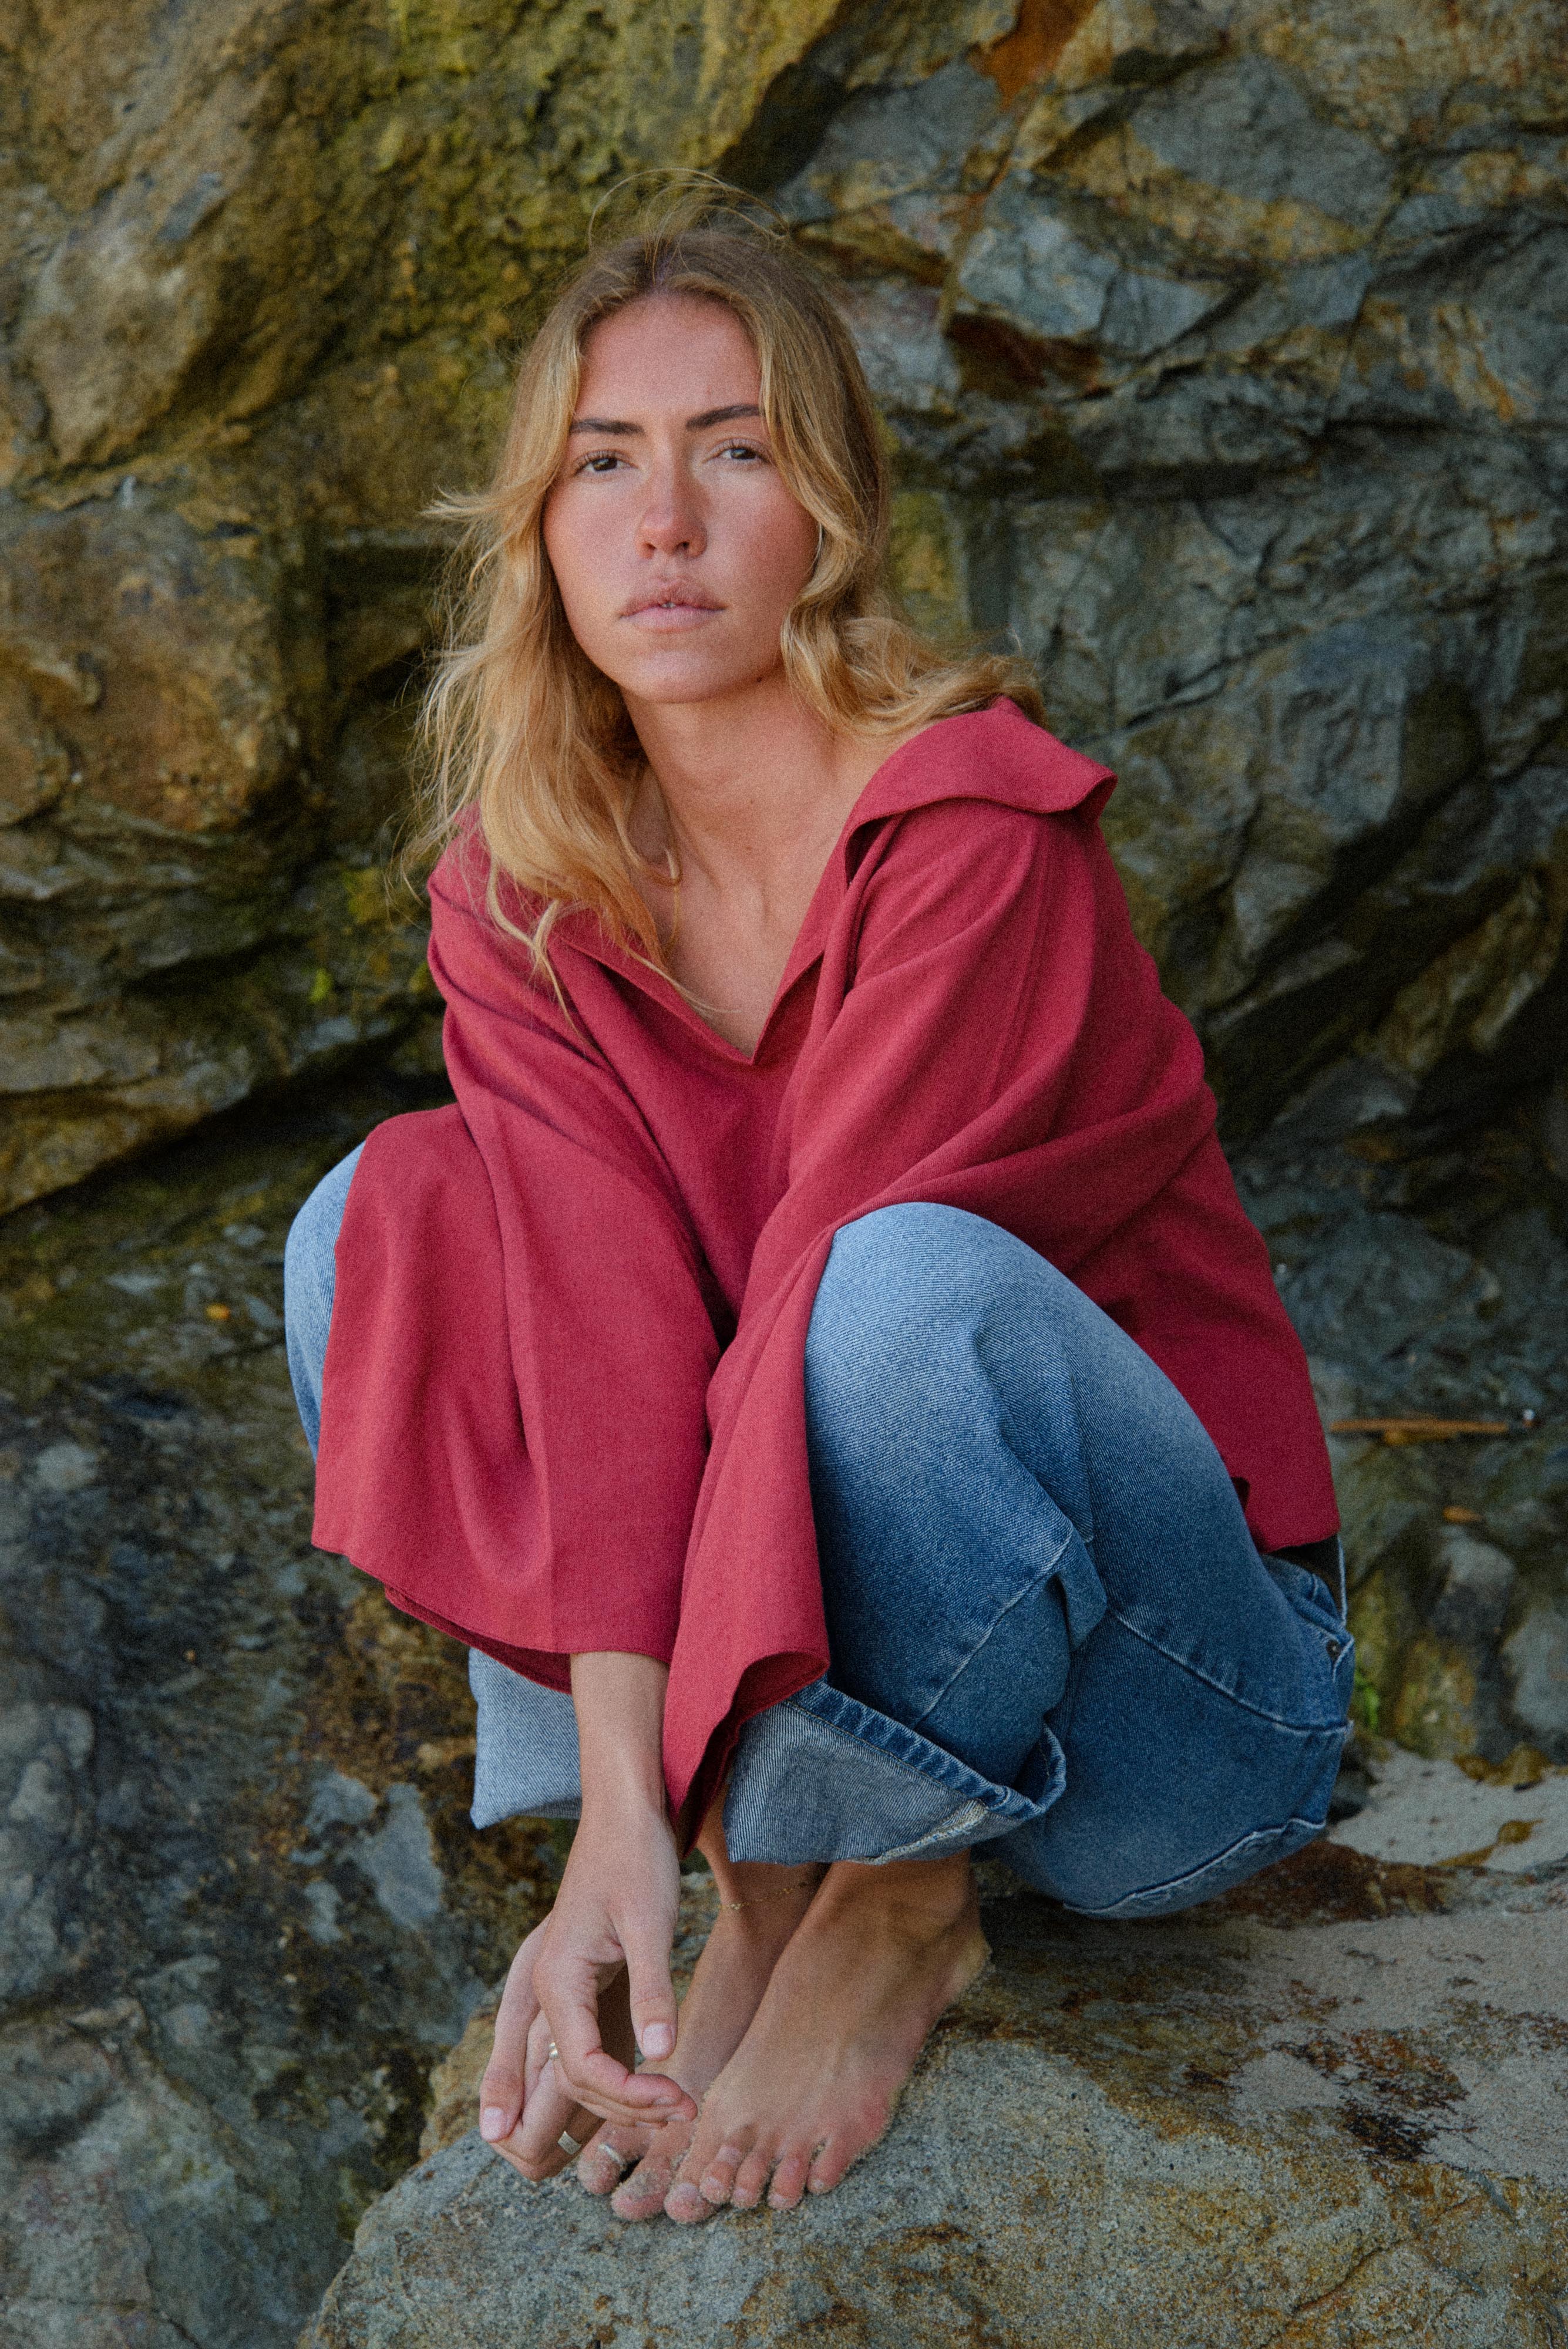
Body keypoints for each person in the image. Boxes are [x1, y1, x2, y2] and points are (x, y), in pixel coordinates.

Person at [284, 183, 1350, 2226]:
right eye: (606, 462)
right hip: (794, 1700)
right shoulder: (527, 882)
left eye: (734, 450)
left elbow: (812, 1340)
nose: (662, 522)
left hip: (1164, 1716)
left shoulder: (969, 827)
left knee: (893, 1291)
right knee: (389, 1213)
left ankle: (896, 1895)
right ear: (542, 527)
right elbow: (601, 1338)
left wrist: (787, 1861)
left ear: (829, 511)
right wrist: (620, 1829)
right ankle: (758, 1876)